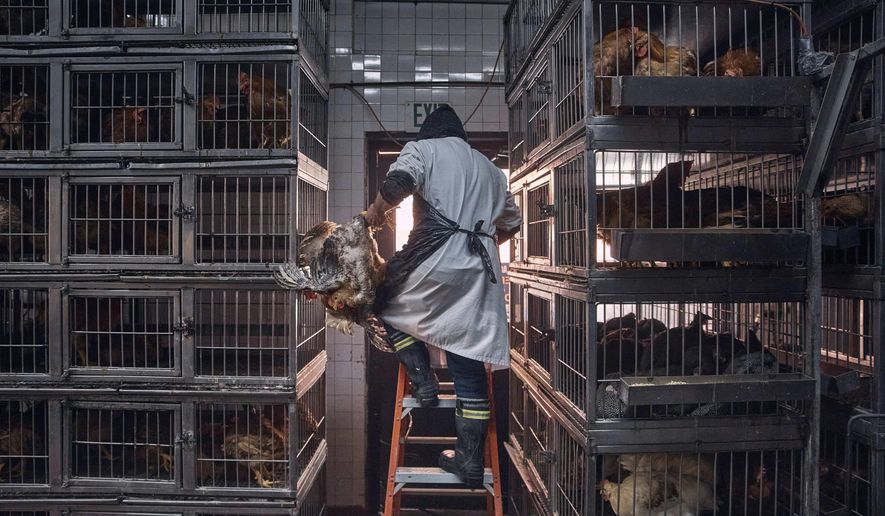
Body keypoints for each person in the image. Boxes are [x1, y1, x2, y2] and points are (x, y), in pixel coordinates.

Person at [364, 106, 521, 487]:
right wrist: (476, 243)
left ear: (429, 133)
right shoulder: (489, 169)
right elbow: (512, 223)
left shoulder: (424, 150)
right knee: (467, 362)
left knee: (377, 299)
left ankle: (424, 381)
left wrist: (372, 216)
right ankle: (468, 461)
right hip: (479, 278)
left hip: (431, 262)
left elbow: (396, 186)